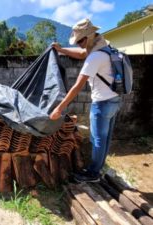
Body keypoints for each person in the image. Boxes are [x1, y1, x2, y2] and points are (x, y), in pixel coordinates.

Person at [50, 18, 121, 182]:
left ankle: (93, 173)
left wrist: (59, 109)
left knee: (97, 139)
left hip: (102, 104)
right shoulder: (106, 49)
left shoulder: (95, 57)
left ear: (88, 37)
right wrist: (61, 50)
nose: (78, 44)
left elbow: (76, 87)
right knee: (105, 138)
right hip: (114, 100)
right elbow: (82, 53)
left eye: (80, 40)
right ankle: (98, 168)